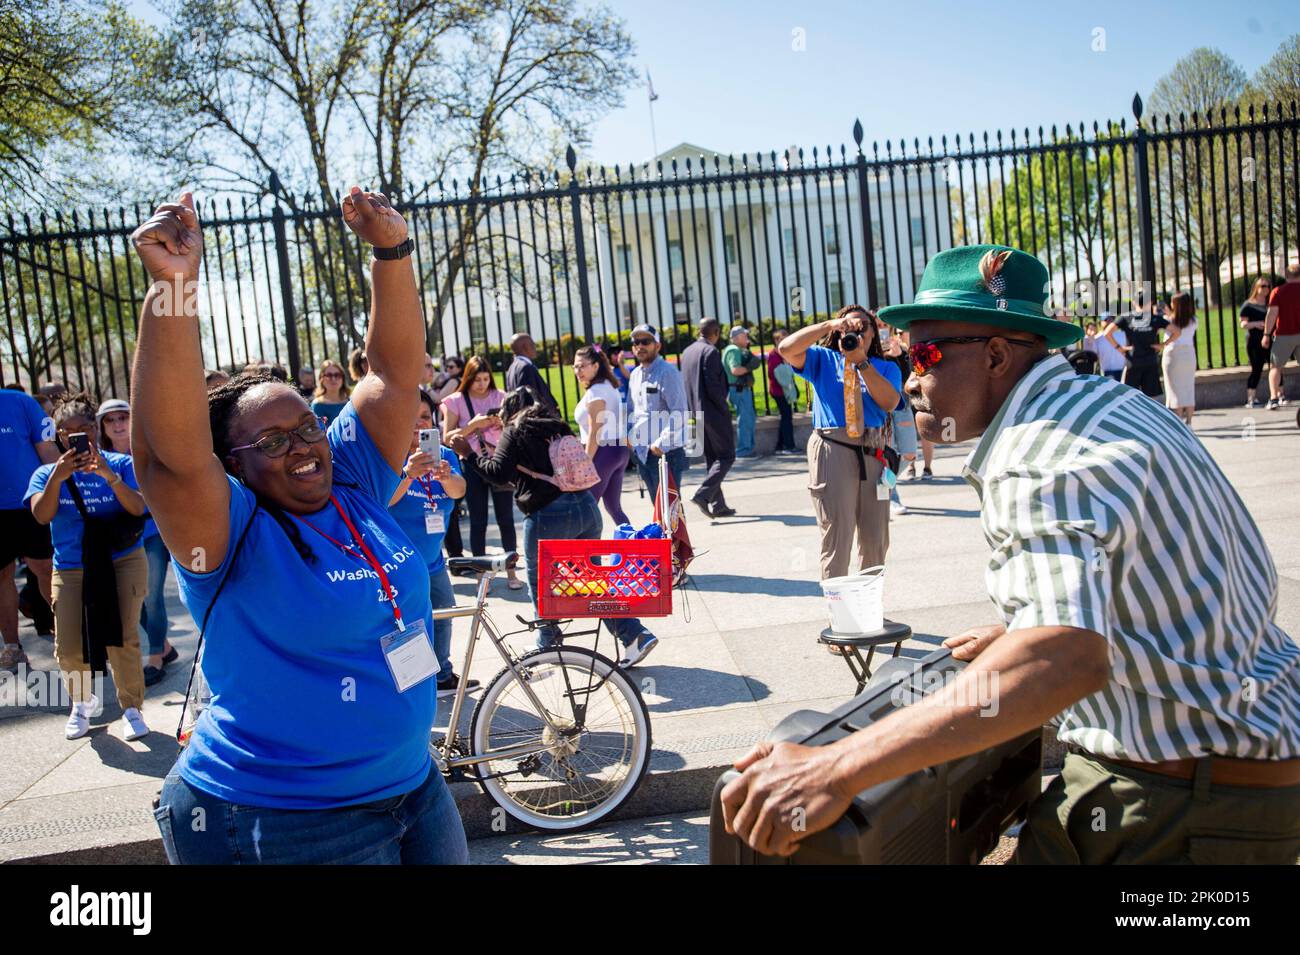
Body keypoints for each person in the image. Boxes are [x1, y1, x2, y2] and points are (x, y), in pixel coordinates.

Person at [721, 244, 1300, 863]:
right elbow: (1169, 572)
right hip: (1242, 761)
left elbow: (1064, 660)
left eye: (924, 353)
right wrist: (1021, 628)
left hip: (1177, 798)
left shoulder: (1033, 455)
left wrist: (837, 767)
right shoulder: (1109, 406)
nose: (911, 374)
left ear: (996, 355)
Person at [134, 187, 468, 865]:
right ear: (233, 463)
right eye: (273, 442)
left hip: (414, 786)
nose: (304, 448)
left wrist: (392, 251)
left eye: (307, 427)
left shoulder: (352, 478)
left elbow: (397, 377)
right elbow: (169, 457)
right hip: (284, 818)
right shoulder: (229, 531)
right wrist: (172, 289)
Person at [454, 386, 659, 668]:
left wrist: (468, 454)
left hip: (548, 516)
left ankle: (547, 642)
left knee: (539, 582)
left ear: (510, 411)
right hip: (586, 508)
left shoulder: (515, 430)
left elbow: (498, 474)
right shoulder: (557, 426)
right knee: (592, 580)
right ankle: (635, 634)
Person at [25, 392, 149, 741]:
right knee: (68, 642)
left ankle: (131, 708)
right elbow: (41, 514)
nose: (78, 436)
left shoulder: (120, 464)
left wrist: (108, 475)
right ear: (60, 436)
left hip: (121, 560)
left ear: (95, 429)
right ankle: (82, 702)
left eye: (84, 429)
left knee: (121, 636)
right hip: (72, 565)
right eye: (68, 432)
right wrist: (58, 478)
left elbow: (138, 508)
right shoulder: (46, 474)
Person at [777, 305, 902, 580]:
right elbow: (786, 349)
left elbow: (890, 402)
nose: (856, 332)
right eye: (850, 327)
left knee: (875, 536)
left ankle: (869, 609)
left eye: (862, 327)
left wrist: (862, 363)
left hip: (874, 451)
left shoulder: (885, 367)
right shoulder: (823, 359)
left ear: (873, 334)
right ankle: (840, 613)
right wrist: (827, 326)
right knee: (837, 533)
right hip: (833, 448)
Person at [387, 390, 475, 696]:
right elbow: (384, 500)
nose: (418, 425)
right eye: (411, 419)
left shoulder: (445, 455)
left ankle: (442, 677)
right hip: (399, 565)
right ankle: (412, 685)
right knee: (408, 625)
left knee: (443, 616)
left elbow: (459, 491)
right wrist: (409, 474)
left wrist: (446, 477)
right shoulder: (391, 456)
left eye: (424, 417)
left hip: (433, 559)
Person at [97, 397, 178, 685]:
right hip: (116, 539)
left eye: (123, 417)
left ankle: (155, 656)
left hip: (152, 533)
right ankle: (165, 646)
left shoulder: (148, 451)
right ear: (102, 427)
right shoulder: (94, 459)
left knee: (152, 597)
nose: (118, 424)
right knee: (134, 600)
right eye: (111, 420)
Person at [440, 355, 522, 589]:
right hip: (472, 464)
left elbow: (516, 427)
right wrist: (474, 425)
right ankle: (480, 575)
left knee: (506, 519)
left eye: (486, 379)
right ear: (468, 378)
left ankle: (511, 572)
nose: (482, 384)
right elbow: (447, 437)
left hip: (498, 463)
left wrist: (501, 423)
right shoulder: (455, 400)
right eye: (477, 379)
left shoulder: (502, 397)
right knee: (478, 521)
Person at [0, 387, 57, 673]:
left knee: (46, 567)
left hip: (31, 503)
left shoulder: (21, 403)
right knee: (2, 576)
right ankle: (12, 647)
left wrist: (67, 493)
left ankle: (67, 636)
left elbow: (48, 451)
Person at [679, 318, 737, 519]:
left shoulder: (687, 352)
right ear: (716, 332)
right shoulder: (710, 352)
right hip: (713, 412)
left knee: (713, 459)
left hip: (696, 413)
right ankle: (703, 494)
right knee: (727, 456)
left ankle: (718, 504)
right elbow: (714, 387)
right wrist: (724, 406)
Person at [626, 324, 688, 502]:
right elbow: (632, 410)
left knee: (670, 510)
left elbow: (680, 411)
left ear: (658, 345)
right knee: (658, 510)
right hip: (642, 452)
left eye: (645, 341)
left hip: (665, 453)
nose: (640, 346)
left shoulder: (667, 373)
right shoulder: (635, 374)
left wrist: (661, 443)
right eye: (636, 342)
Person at [572, 345, 631, 526]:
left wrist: (586, 460)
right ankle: (633, 548)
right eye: (575, 366)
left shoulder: (597, 392)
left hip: (604, 452)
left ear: (596, 366)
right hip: (618, 451)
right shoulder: (607, 385)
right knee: (614, 508)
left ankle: (586, 554)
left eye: (582, 366)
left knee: (586, 508)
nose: (578, 370)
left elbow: (595, 431)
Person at [879, 321, 916, 517]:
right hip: (882, 407)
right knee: (889, 453)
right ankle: (891, 496)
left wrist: (899, 356)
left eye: (885, 325)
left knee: (909, 453)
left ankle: (885, 484)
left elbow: (910, 377)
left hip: (902, 405)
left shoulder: (901, 349)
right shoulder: (869, 351)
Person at [1103, 293, 1168, 399]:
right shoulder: (1154, 319)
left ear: (1134, 303)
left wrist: (1119, 348)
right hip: (1150, 361)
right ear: (1150, 303)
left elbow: (1107, 333)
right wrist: (1163, 345)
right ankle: (1148, 415)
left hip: (1133, 361)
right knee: (1151, 397)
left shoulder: (1126, 317)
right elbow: (1177, 331)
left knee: (1129, 396)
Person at [1262, 263, 1300, 410]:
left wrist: (1266, 334)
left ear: (1287, 276)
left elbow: (1272, 314)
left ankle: (1274, 398)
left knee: (1275, 367)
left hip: (1284, 333)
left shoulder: (1278, 291)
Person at [1161, 291, 1198, 424]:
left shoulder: (1169, 320)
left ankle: (1179, 421)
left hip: (1173, 353)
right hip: (1189, 354)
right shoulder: (1194, 320)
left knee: (1174, 390)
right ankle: (1189, 421)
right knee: (1188, 388)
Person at [722, 325, 759, 458]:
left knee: (747, 418)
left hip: (738, 389)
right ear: (737, 338)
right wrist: (749, 367)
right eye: (745, 336)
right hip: (739, 389)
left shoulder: (734, 349)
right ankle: (744, 450)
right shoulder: (734, 350)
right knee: (745, 420)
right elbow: (735, 370)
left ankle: (748, 449)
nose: (747, 338)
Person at [1239, 277, 1273, 407]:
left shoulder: (1269, 303)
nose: (1266, 289)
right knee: (1256, 368)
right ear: (1257, 288)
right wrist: (1255, 324)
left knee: (1275, 366)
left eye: (1268, 286)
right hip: (1254, 340)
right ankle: (1251, 398)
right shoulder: (1249, 305)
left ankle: (1279, 394)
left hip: (1270, 338)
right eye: (1263, 286)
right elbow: (1242, 324)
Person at [504, 333, 558, 413]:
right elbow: (530, 399)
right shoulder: (526, 367)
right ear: (525, 347)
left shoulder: (512, 367)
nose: (535, 347)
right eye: (532, 344)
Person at [767, 329, 800, 455]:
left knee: (786, 416)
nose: (785, 340)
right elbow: (772, 374)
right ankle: (788, 446)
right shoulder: (773, 355)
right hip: (779, 391)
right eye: (781, 338)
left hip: (786, 391)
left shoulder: (784, 353)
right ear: (776, 340)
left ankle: (780, 446)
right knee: (787, 417)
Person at [310, 359, 350, 426]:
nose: (333, 379)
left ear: (343, 378)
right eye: (329, 375)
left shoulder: (350, 402)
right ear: (321, 379)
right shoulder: (317, 406)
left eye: (337, 375)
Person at [1093, 312, 1127, 382]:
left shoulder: (1123, 335)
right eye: (1106, 320)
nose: (1109, 321)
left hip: (1124, 371)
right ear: (1101, 322)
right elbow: (1093, 354)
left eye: (1111, 319)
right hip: (1106, 372)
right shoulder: (1097, 338)